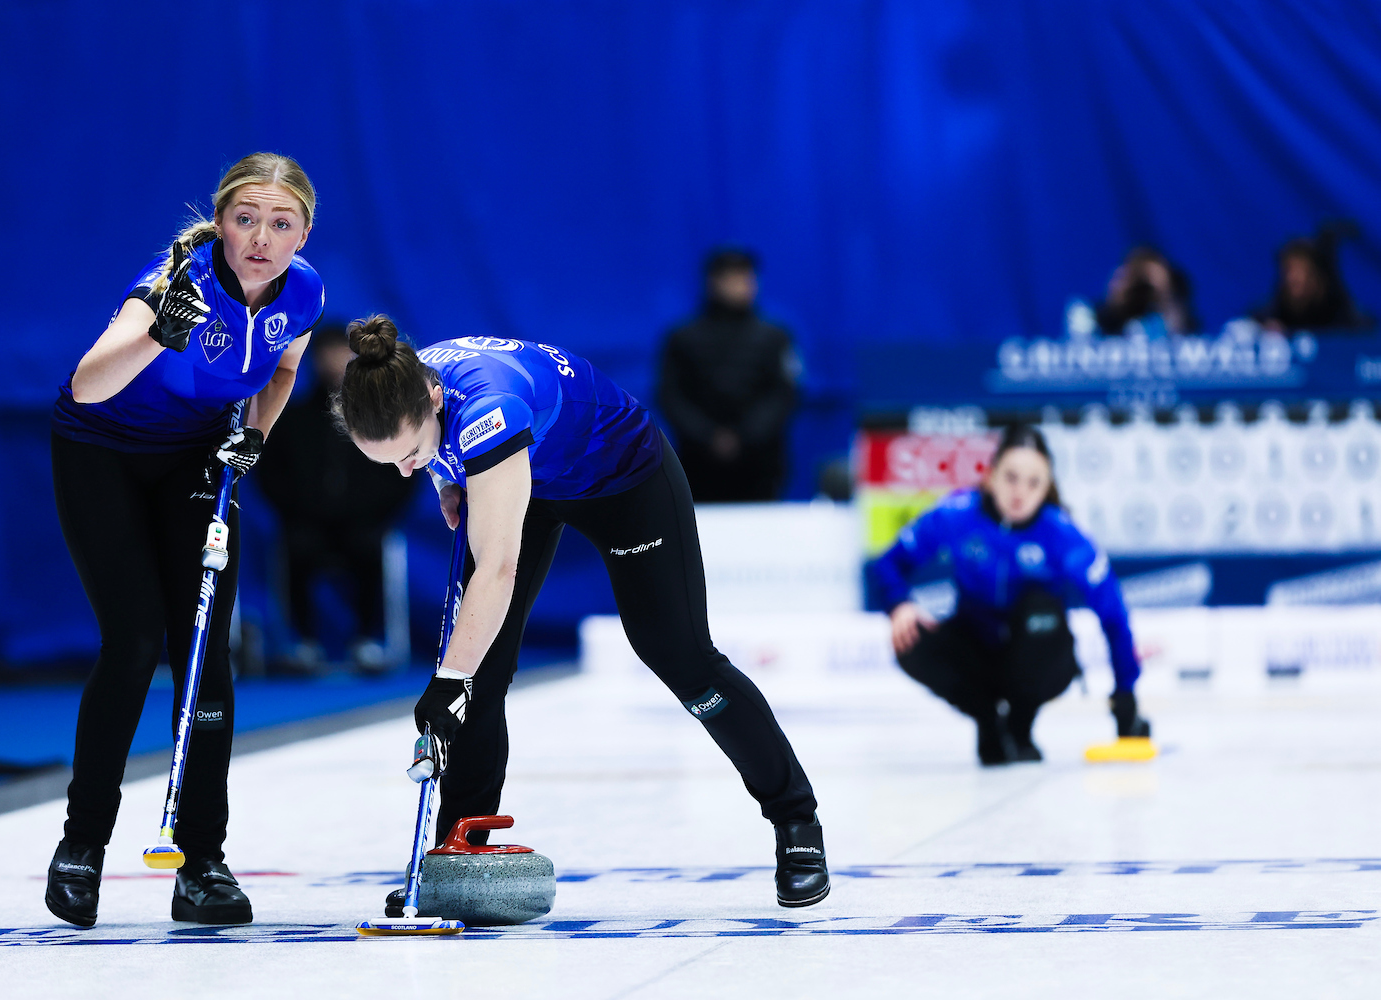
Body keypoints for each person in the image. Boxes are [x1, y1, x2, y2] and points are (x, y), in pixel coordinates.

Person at [334, 317, 828, 909]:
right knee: (480, 670)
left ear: (435, 399)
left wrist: (446, 681)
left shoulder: (491, 409)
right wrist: (443, 475)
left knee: (681, 658)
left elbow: (497, 570)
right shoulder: (400, 381)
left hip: (621, 477)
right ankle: (457, 861)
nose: (405, 471)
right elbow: (445, 454)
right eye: (390, 463)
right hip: (530, 477)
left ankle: (796, 821)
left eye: (412, 455)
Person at [46, 153, 324, 927]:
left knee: (203, 652)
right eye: (246, 219)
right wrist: (158, 336)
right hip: (101, 452)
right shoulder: (176, 283)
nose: (261, 239)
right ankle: (81, 846)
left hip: (194, 457)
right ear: (222, 222)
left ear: (302, 234)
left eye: (281, 224)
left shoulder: (304, 292)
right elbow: (88, 385)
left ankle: (202, 864)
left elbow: (282, 371)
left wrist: (256, 436)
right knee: (134, 642)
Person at [867, 426, 1150, 765]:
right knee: (909, 640)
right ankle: (988, 722)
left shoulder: (1064, 536)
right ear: (990, 477)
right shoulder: (956, 516)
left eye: (1034, 483)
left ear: (1047, 487)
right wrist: (899, 604)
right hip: (975, 648)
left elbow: (1113, 615)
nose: (1020, 492)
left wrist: (1125, 701)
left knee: (1040, 609)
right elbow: (888, 563)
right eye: (1011, 478)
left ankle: (1020, 725)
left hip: (1038, 654)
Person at [257, 324, 416, 672]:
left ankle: (368, 641)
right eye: (327, 353)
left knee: (370, 546)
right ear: (313, 358)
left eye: (342, 353)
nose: (335, 361)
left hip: (363, 522)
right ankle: (302, 643)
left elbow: (404, 470)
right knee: (295, 546)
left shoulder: (380, 416)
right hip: (306, 522)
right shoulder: (291, 417)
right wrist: (296, 510)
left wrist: (374, 512)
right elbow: (270, 472)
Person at [657, 247, 800, 501]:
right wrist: (708, 437)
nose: (741, 285)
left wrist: (746, 436)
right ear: (713, 282)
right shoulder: (683, 338)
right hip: (698, 464)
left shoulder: (775, 337)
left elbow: (784, 393)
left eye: (747, 277)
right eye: (732, 277)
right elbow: (671, 396)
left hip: (761, 465)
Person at [1250, 224, 1373, 334]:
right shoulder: (1275, 309)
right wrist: (1263, 329)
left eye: (1301, 270)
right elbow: (1249, 323)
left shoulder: (1345, 314)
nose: (1293, 278)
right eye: (1288, 270)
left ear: (1318, 277)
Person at [1094, 246, 1199, 336]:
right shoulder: (1096, 320)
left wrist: (1164, 294)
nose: (1141, 294)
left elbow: (1181, 329)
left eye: (1146, 286)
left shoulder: (1166, 319)